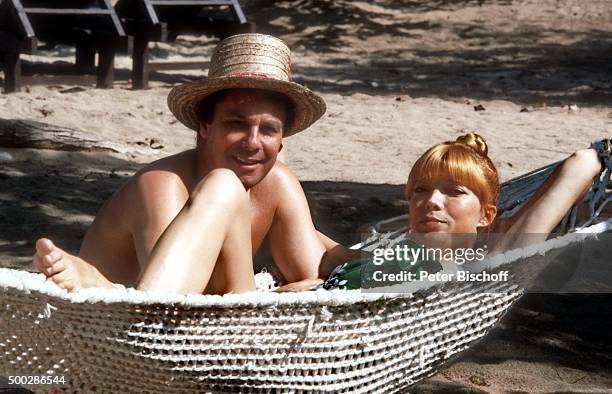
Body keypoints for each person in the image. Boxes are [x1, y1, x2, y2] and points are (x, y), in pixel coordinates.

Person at [33, 33, 348, 295]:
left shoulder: (276, 183)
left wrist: (386, 255)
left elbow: (317, 275)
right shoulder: (163, 184)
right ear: (205, 127)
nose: (252, 143)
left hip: (222, 330)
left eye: (268, 130)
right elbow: (180, 305)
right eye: (236, 124)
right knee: (223, 185)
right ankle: (97, 283)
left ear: (281, 141)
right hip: (135, 330)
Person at [321, 132, 603, 290]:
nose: (430, 201)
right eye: (420, 190)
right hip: (336, 277)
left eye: (454, 192)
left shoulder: (501, 254)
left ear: (486, 216)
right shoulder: (404, 246)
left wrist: (604, 152)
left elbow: (582, 163)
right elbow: (348, 260)